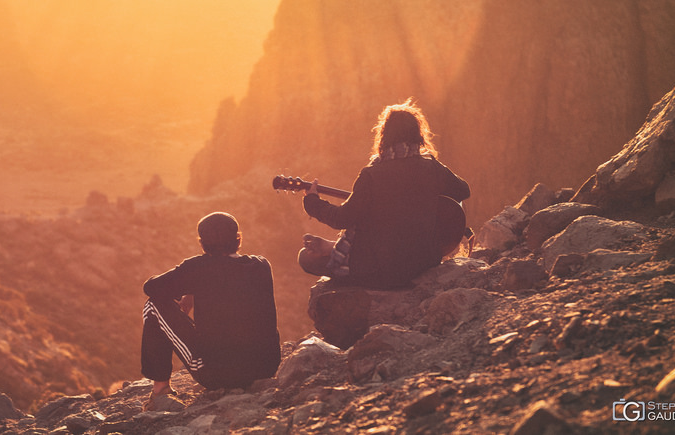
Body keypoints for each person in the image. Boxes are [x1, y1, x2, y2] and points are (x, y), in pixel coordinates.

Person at [298, 98, 470, 289]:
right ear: (418, 135)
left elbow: (342, 219)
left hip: (382, 271)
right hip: (423, 263)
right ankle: (332, 247)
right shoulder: (432, 168)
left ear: (384, 136)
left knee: (305, 258)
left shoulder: (372, 175)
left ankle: (334, 248)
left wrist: (313, 202)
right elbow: (463, 190)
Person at [140, 212, 281, 411]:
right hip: (266, 367)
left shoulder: (198, 268)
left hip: (219, 374)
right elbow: (228, 281)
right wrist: (192, 288)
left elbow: (151, 288)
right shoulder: (261, 265)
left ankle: (160, 390)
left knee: (153, 305)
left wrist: (188, 286)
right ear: (238, 239)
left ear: (202, 243)